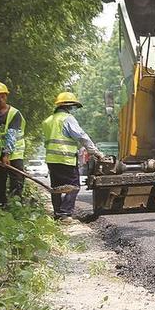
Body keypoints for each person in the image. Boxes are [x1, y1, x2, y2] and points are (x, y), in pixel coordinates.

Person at [42, 92, 105, 222]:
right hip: (65, 159)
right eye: (73, 107)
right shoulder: (67, 119)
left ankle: (58, 214)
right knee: (74, 186)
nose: (73, 110)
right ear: (69, 106)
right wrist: (95, 152)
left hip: (52, 160)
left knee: (56, 188)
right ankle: (65, 214)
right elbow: (81, 136)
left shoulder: (48, 121)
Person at [0, 81, 26, 207]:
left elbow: (12, 135)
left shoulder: (14, 113)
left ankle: (16, 207)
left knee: (17, 182)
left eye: (2, 96)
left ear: (6, 96)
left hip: (14, 154)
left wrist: (6, 154)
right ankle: (1, 207)